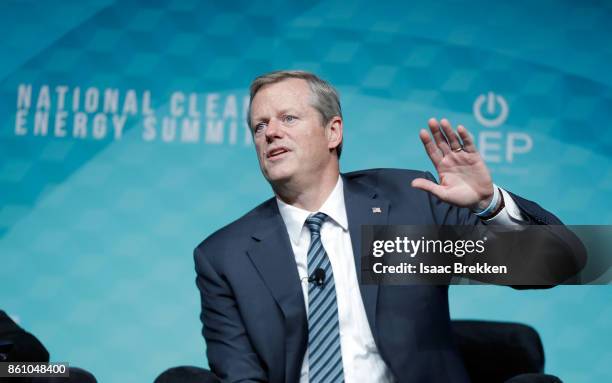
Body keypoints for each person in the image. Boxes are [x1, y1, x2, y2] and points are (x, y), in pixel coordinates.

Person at [194, 71, 573, 382]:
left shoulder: (410, 206)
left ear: (333, 132)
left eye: (288, 118)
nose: (270, 132)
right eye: (259, 126)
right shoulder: (226, 256)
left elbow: (554, 265)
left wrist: (487, 203)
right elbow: (241, 375)